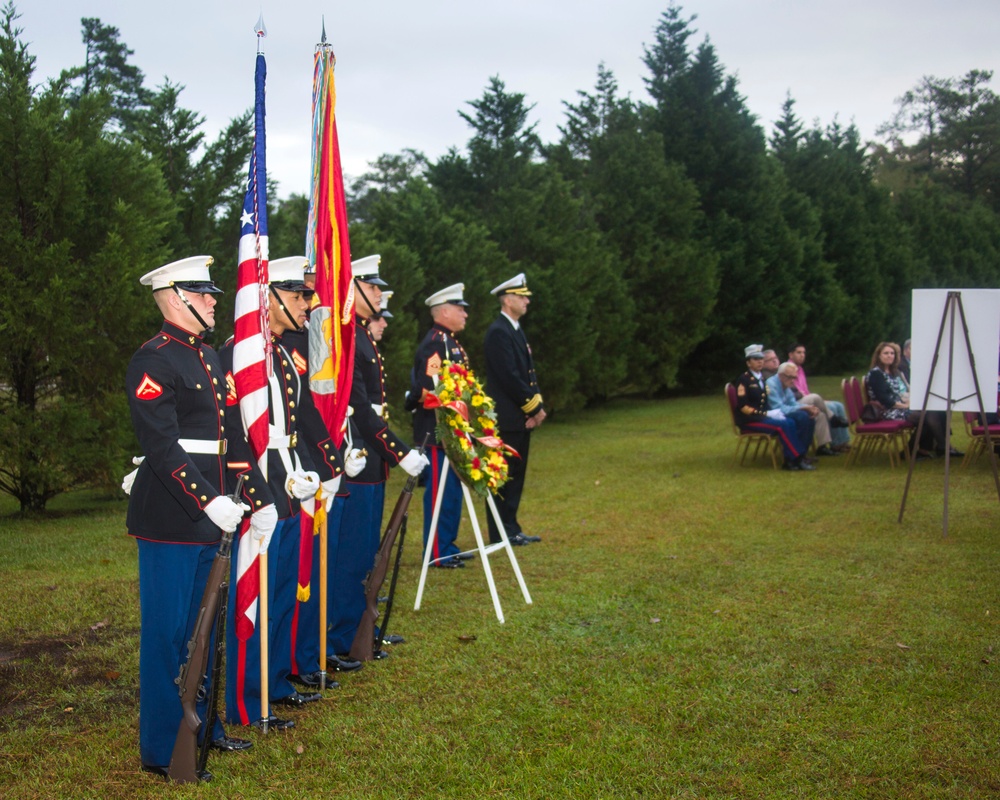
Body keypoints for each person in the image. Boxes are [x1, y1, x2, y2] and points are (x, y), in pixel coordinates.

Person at [125, 255, 270, 779]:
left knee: (205, 630)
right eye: (202, 292)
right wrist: (209, 499)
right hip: (171, 517)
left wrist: (259, 497)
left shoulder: (209, 358)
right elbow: (161, 446)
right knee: (168, 636)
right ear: (175, 297)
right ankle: (163, 749)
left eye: (212, 292)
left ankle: (204, 727)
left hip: (217, 516)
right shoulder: (153, 360)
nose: (213, 300)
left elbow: (233, 441)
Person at [220, 256, 348, 729]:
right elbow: (235, 431)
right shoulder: (240, 352)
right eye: (297, 296)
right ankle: (245, 703)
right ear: (267, 298)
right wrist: (256, 494)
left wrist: (324, 468)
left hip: (291, 481)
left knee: (282, 593)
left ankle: (272, 681)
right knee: (254, 595)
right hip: (259, 487)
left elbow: (302, 419)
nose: (307, 304)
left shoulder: (281, 354)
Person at [328, 255, 427, 659]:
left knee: (367, 552)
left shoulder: (361, 338)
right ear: (352, 289)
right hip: (359, 456)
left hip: (372, 458)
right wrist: (400, 452)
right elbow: (360, 409)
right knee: (351, 557)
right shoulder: (348, 337)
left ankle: (357, 631)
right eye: (372, 289)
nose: (379, 296)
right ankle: (342, 638)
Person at [406, 283, 474, 565]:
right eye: (460, 309)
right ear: (444, 311)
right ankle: (436, 551)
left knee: (453, 491)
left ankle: (447, 544)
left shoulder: (450, 342)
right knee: (440, 492)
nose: (465, 315)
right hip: (435, 432)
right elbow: (425, 387)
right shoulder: (436, 343)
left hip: (450, 430)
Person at [483, 273, 545, 546]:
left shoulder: (514, 329)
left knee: (516, 476)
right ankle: (500, 533)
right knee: (503, 477)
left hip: (519, 416)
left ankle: (512, 528)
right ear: (507, 300)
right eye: (521, 297)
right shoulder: (499, 331)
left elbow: (528, 374)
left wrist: (535, 408)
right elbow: (509, 376)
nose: (527, 301)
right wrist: (533, 407)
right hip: (507, 417)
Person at [733, 344, 815, 471]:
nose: (760, 361)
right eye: (755, 359)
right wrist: (765, 414)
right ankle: (795, 458)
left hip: (761, 417)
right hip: (750, 420)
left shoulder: (761, 380)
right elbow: (743, 407)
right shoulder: (744, 380)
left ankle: (792, 459)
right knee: (783, 425)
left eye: (761, 359)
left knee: (790, 422)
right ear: (748, 363)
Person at [864, 341, 950, 458]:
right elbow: (885, 400)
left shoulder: (893, 372)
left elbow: (899, 393)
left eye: (892, 353)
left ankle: (915, 450)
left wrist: (909, 402)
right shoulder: (876, 374)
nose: (890, 356)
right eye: (886, 353)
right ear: (879, 355)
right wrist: (905, 406)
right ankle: (942, 447)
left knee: (932, 412)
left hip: (898, 407)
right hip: (886, 411)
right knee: (926, 416)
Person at [786, 343, 851, 453]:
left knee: (837, 405)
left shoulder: (800, 369)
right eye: (799, 352)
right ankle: (835, 441)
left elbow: (806, 391)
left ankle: (843, 441)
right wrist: (815, 400)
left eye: (803, 353)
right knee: (829, 407)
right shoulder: (788, 368)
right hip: (796, 402)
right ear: (790, 355)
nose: (802, 355)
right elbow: (795, 392)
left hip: (807, 398)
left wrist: (822, 401)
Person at [764, 362, 821, 455]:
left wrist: (808, 408)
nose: (792, 380)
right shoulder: (771, 384)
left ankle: (803, 453)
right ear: (781, 375)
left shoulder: (786, 384)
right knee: (802, 416)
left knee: (809, 416)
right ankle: (798, 454)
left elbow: (793, 404)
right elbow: (778, 408)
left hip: (782, 412)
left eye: (794, 377)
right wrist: (804, 408)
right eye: (790, 377)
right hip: (773, 414)